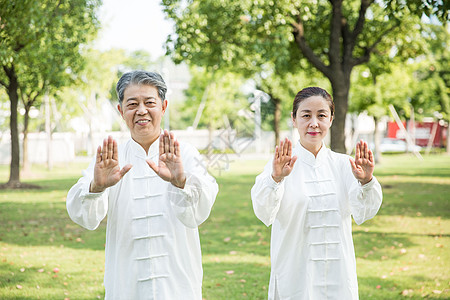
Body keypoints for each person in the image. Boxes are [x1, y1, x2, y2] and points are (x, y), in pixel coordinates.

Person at [67, 71, 218, 299]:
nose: (141, 111)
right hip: (126, 283)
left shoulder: (184, 152)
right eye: (132, 104)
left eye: (149, 102)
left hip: (177, 283)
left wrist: (181, 182)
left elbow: (200, 211)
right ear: (121, 110)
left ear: (163, 106)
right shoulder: (110, 157)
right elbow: (84, 216)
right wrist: (96, 187)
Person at [251, 87, 382, 299]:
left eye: (321, 115)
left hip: (339, 276)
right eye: (306, 115)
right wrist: (276, 179)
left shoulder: (344, 165)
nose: (314, 123)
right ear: (294, 119)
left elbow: (364, 213)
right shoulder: (279, 165)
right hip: (296, 276)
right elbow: (264, 213)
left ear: (331, 119)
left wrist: (366, 181)